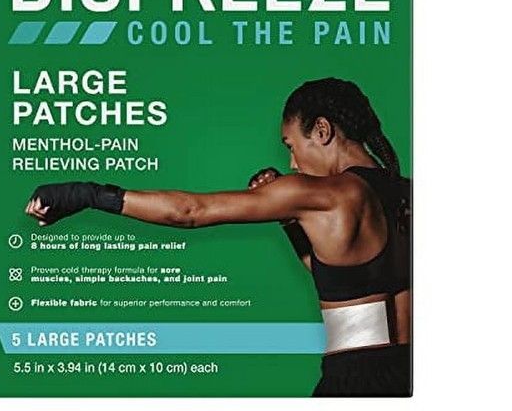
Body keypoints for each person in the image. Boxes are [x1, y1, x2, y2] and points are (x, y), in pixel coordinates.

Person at [25, 77, 411, 396]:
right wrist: (291, 221)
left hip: (354, 380)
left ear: (322, 131)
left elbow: (190, 212)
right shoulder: (408, 193)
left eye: (291, 146)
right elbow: (348, 280)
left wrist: (88, 194)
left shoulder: (326, 193)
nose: (292, 163)